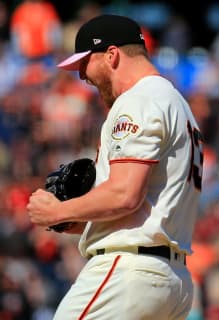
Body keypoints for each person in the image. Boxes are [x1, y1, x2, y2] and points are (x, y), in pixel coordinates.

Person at [27, 14, 203, 319]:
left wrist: (58, 211)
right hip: (171, 281)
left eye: (85, 63)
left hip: (130, 273)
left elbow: (125, 195)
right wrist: (79, 219)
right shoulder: (176, 104)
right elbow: (145, 205)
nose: (82, 76)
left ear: (112, 55)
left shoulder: (139, 100)